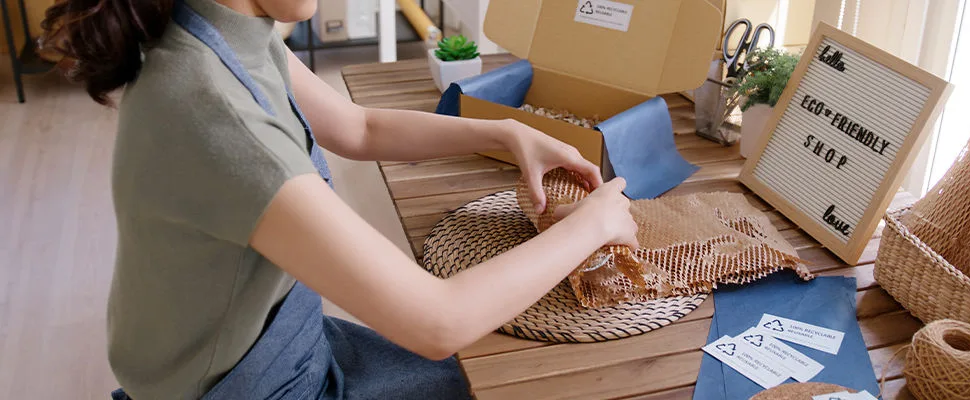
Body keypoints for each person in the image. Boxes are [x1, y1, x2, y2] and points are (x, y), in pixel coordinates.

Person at [40, 0, 640, 398]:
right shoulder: (212, 111)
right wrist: (592, 224)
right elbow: (439, 321)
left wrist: (505, 133)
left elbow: (359, 129)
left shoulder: (218, 31)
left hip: (271, 348)